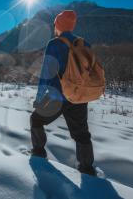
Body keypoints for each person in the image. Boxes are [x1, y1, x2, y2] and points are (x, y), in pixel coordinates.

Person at [31, 10, 96, 176]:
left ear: (58, 25)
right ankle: (87, 169)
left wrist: (39, 98)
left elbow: (46, 74)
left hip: (56, 96)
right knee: (82, 134)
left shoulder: (54, 44)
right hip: (78, 97)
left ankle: (38, 153)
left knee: (36, 120)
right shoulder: (84, 44)